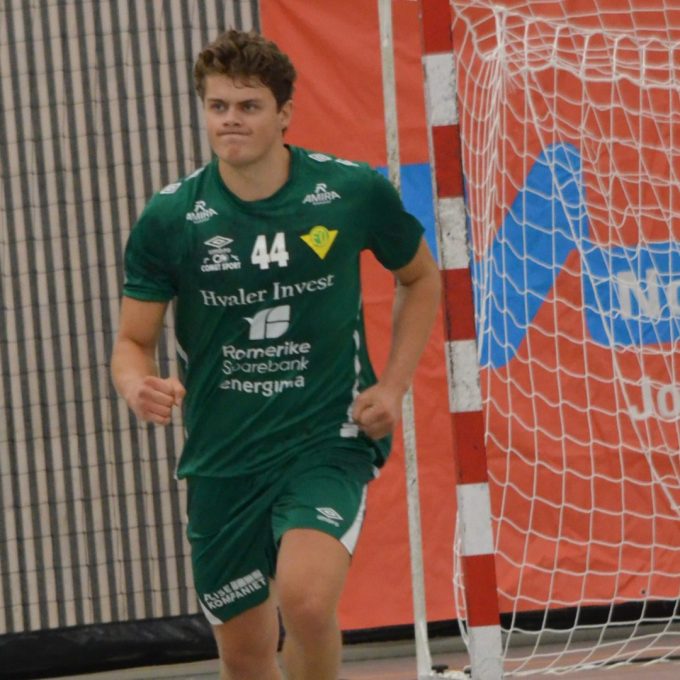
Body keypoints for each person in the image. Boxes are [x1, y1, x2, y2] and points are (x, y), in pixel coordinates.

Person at [111, 28, 441, 680]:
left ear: (284, 113)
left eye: (249, 105)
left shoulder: (349, 192)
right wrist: (135, 384)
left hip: (327, 439)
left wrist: (393, 386)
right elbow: (133, 341)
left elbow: (421, 278)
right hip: (223, 458)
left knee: (307, 601)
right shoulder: (171, 218)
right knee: (245, 656)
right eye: (218, 106)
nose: (231, 119)